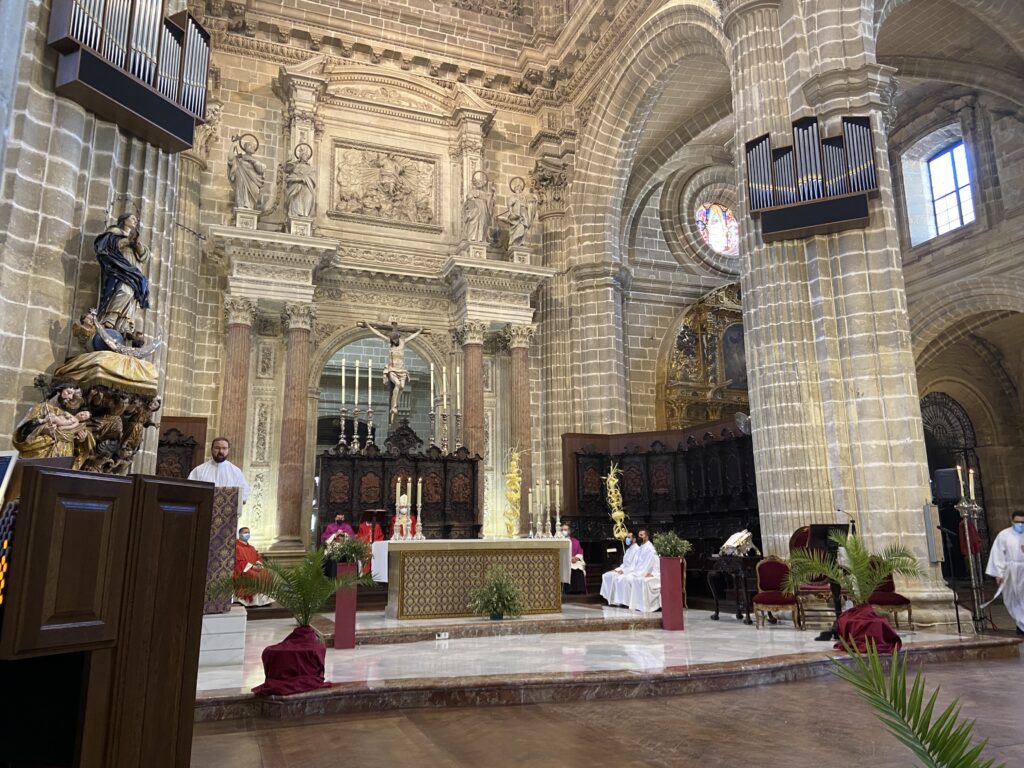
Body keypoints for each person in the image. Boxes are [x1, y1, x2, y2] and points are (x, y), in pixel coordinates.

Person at [12, 377, 94, 468]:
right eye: (69, 393)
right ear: (58, 391)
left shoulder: (65, 414)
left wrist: (79, 440)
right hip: (40, 457)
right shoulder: (40, 408)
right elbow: (22, 432)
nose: (70, 397)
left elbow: (69, 436)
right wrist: (43, 428)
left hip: (61, 458)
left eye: (72, 395)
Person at [94, 212, 150, 334]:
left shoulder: (136, 238)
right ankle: (109, 319)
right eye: (132, 218)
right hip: (120, 267)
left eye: (136, 219)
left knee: (132, 296)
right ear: (124, 220)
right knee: (124, 291)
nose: (135, 221)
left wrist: (136, 244)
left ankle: (123, 326)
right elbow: (108, 248)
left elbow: (145, 257)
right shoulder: (114, 233)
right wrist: (127, 241)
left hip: (134, 270)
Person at [360, 320, 423, 422]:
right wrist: (368, 326)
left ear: (398, 338)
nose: (394, 341)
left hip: (402, 370)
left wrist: (419, 331)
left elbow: (412, 337)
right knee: (397, 384)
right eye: (392, 339)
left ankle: (395, 405)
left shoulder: (403, 343)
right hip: (392, 369)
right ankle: (393, 407)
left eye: (395, 339)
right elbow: (378, 333)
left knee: (402, 386)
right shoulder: (390, 344)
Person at [985, 510, 1024, 635]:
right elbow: (997, 554)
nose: (1020, 524)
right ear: (1012, 521)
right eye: (1017, 522)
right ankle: (1020, 624)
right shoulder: (1004, 535)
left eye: (1023, 522)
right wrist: (998, 573)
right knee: (1012, 600)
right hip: (1011, 572)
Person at [188, 437, 250, 514]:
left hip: (227, 515)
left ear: (228, 450)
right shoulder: (199, 470)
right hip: (203, 512)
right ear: (211, 449)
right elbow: (190, 490)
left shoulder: (236, 472)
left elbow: (244, 492)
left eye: (224, 448)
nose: (221, 451)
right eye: (217, 448)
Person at [616, 528, 658, 611]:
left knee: (628, 579)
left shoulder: (650, 548)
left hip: (644, 572)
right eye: (639, 535)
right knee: (622, 578)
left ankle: (635, 604)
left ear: (647, 536)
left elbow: (649, 564)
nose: (639, 537)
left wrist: (642, 573)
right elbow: (635, 563)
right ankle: (625, 602)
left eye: (641, 535)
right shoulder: (641, 547)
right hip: (637, 571)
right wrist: (628, 571)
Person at [233, 527, 272, 607]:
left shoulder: (251, 548)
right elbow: (239, 562)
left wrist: (259, 565)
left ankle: (262, 600)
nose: (247, 534)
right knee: (253, 575)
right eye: (245, 532)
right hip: (242, 570)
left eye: (248, 532)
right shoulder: (237, 547)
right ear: (240, 535)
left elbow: (258, 558)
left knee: (265, 573)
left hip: (253, 567)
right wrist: (252, 567)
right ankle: (250, 601)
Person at [601, 530, 640, 606]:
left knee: (618, 578)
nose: (627, 539)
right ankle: (609, 599)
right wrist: (616, 569)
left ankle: (622, 601)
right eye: (626, 537)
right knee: (606, 575)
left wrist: (624, 571)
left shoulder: (637, 550)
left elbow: (634, 565)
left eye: (629, 537)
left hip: (630, 571)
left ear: (634, 539)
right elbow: (624, 564)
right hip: (623, 569)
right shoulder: (628, 550)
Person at [285, 143, 316, 218]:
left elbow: (312, 179)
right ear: (301, 157)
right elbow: (289, 175)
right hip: (296, 187)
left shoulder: (310, 168)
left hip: (307, 187)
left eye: (308, 156)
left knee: (308, 198)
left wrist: (304, 178)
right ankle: (296, 215)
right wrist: (298, 179)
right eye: (305, 155)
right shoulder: (295, 166)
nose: (307, 157)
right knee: (296, 200)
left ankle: (305, 215)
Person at [560, 522, 587, 594]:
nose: (564, 531)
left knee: (578, 567)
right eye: (562, 530)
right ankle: (568, 590)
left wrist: (576, 558)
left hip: (574, 560)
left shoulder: (575, 541)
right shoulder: (558, 541)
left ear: (569, 531)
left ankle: (579, 589)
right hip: (564, 561)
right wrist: (568, 559)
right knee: (569, 567)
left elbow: (580, 551)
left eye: (565, 530)